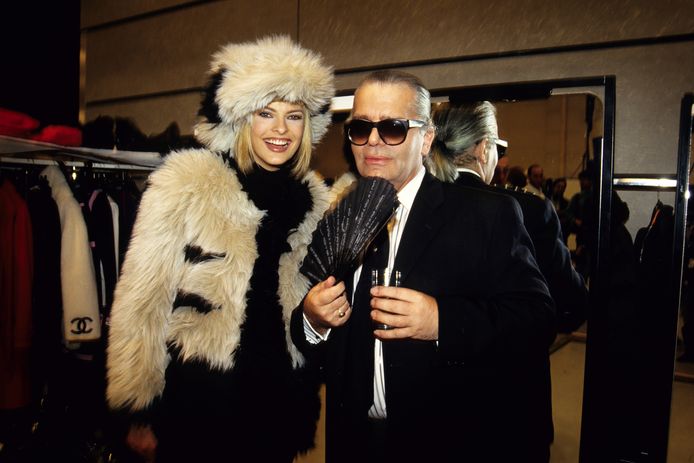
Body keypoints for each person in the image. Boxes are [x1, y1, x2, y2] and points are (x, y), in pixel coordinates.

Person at [291, 71, 556, 462]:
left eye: (394, 128)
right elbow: (311, 336)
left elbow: (537, 319)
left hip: (446, 442)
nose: (374, 141)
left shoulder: (486, 215)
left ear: (426, 138)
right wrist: (313, 320)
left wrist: (441, 321)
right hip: (353, 442)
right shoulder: (338, 216)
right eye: (361, 127)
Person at [106, 35, 335, 462]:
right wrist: (137, 410)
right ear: (240, 119)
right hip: (196, 407)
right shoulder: (186, 182)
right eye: (265, 113)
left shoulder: (314, 201)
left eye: (294, 116)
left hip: (277, 410)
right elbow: (142, 302)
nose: (280, 130)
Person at [431, 101, 587, 333]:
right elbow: (570, 307)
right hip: (510, 363)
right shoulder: (530, 210)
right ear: (483, 149)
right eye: (498, 148)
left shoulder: (419, 202)